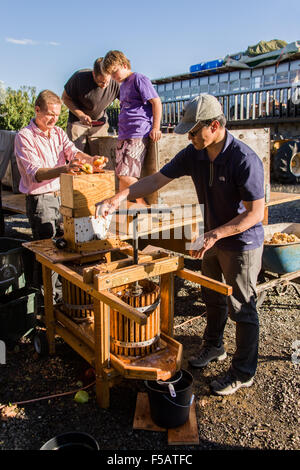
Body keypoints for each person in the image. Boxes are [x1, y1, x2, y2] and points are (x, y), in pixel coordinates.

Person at [95, 94, 265, 396]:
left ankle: (243, 372)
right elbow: (156, 180)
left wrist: (215, 234)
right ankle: (214, 346)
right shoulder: (194, 153)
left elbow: (255, 213)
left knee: (242, 306)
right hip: (211, 235)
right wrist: (118, 197)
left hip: (241, 242)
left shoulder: (244, 160)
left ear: (214, 125)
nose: (189, 136)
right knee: (211, 293)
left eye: (194, 130)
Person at [14, 89, 107, 299]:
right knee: (48, 253)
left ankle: (63, 297)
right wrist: (64, 169)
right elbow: (36, 174)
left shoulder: (57, 132)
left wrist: (91, 160)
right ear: (37, 110)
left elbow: (73, 152)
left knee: (66, 248)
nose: (54, 119)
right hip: (41, 200)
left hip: (64, 196)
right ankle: (48, 303)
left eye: (57, 115)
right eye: (49, 114)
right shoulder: (24, 136)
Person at [103, 50, 162, 205]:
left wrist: (156, 127)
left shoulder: (139, 79)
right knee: (121, 176)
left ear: (124, 65)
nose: (114, 77)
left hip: (138, 132)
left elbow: (156, 102)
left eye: (114, 72)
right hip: (124, 134)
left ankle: (144, 208)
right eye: (111, 74)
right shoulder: (122, 86)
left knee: (127, 176)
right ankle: (128, 215)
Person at [62, 58, 120, 154]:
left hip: (100, 124)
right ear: (93, 74)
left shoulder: (115, 82)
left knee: (101, 156)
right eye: (101, 82)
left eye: (107, 82)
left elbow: (126, 101)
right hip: (78, 122)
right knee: (76, 156)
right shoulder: (79, 78)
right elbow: (65, 98)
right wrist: (81, 115)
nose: (104, 85)